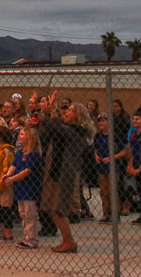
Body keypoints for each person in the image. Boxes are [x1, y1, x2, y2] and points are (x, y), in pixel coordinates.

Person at [39, 101, 95, 253]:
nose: (67, 112)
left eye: (71, 110)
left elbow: (58, 128)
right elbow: (53, 129)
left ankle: (69, 242)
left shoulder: (78, 131)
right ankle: (66, 240)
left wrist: (50, 114)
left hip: (64, 172)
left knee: (58, 209)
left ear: (79, 115)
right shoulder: (66, 127)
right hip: (55, 170)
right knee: (51, 207)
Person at [4, 125, 43, 249]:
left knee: (30, 213)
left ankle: (32, 239)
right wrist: (7, 175)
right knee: (22, 213)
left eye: (22, 134)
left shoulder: (33, 154)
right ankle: (26, 237)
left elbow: (26, 171)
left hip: (30, 188)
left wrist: (12, 179)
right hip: (20, 188)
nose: (19, 137)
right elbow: (14, 166)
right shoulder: (20, 153)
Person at [93, 114, 128, 223]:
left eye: (104, 121)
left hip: (113, 167)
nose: (101, 123)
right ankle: (106, 213)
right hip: (101, 166)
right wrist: (96, 156)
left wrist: (112, 158)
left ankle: (115, 213)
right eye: (100, 121)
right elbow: (95, 148)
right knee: (104, 191)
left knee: (112, 190)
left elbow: (125, 151)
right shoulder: (98, 136)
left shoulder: (115, 136)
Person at [0, 124, 16, 242]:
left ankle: (8, 233)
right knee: (0, 207)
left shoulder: (7, 150)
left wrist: (4, 178)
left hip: (6, 183)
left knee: (6, 208)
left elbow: (9, 166)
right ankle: (1, 232)